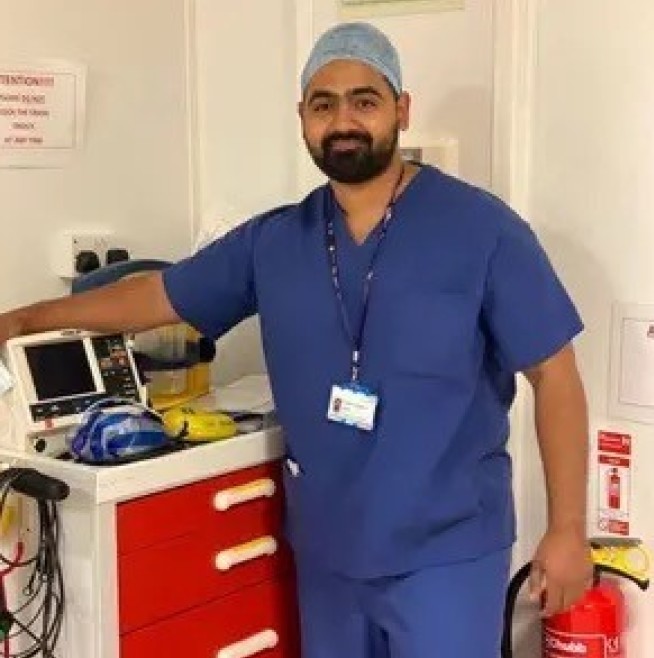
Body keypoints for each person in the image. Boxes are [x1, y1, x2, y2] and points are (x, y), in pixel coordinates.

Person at [0, 22, 592, 658]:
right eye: (323, 103)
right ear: (303, 118)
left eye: (365, 100)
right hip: (329, 554)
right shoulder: (277, 241)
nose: (344, 119)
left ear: (401, 109)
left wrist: (567, 529)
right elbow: (160, 295)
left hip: (447, 555)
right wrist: (25, 319)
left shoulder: (483, 230)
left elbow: (555, 374)